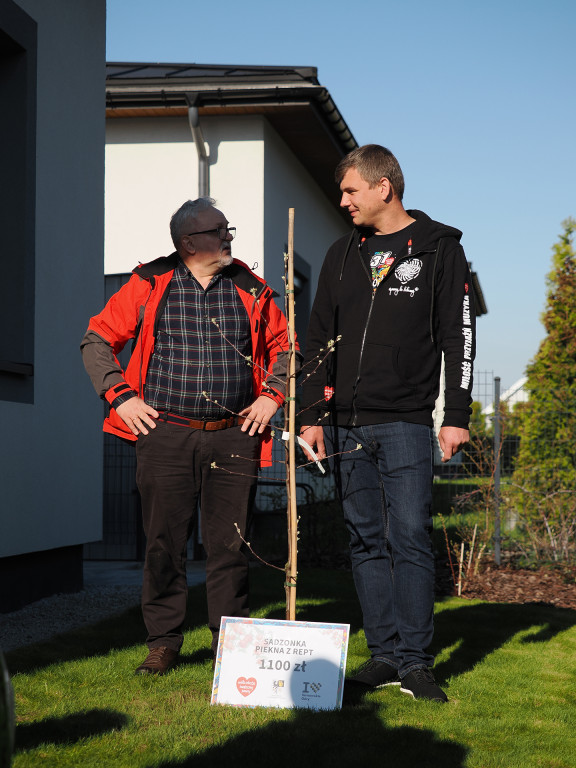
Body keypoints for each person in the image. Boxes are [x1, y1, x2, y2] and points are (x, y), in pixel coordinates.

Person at [82, 198, 298, 675]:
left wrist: (272, 396)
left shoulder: (251, 287)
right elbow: (97, 339)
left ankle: (230, 643)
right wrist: (121, 396)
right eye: (219, 230)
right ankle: (163, 641)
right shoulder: (149, 282)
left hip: (234, 435)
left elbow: (288, 348)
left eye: (228, 229)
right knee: (163, 543)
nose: (229, 237)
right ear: (188, 242)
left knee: (230, 545)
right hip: (165, 436)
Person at [299, 145, 475, 702]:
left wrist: (457, 417)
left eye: (351, 190)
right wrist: (310, 415)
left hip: (405, 423)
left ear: (385, 187)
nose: (343, 200)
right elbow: (316, 340)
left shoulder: (440, 250)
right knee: (366, 540)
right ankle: (384, 655)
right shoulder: (340, 254)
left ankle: (417, 662)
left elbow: (460, 336)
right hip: (346, 426)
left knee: (410, 539)